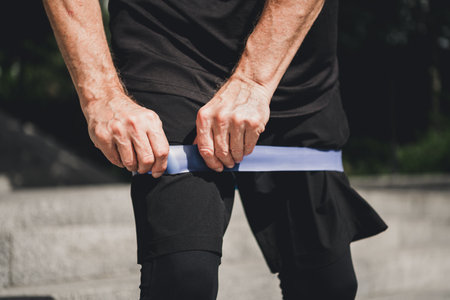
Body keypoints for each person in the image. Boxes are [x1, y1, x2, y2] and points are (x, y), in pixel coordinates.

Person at [43, 0, 388, 299]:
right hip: (168, 41)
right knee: (184, 277)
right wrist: (100, 95)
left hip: (292, 54)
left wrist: (254, 82)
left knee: (327, 285)